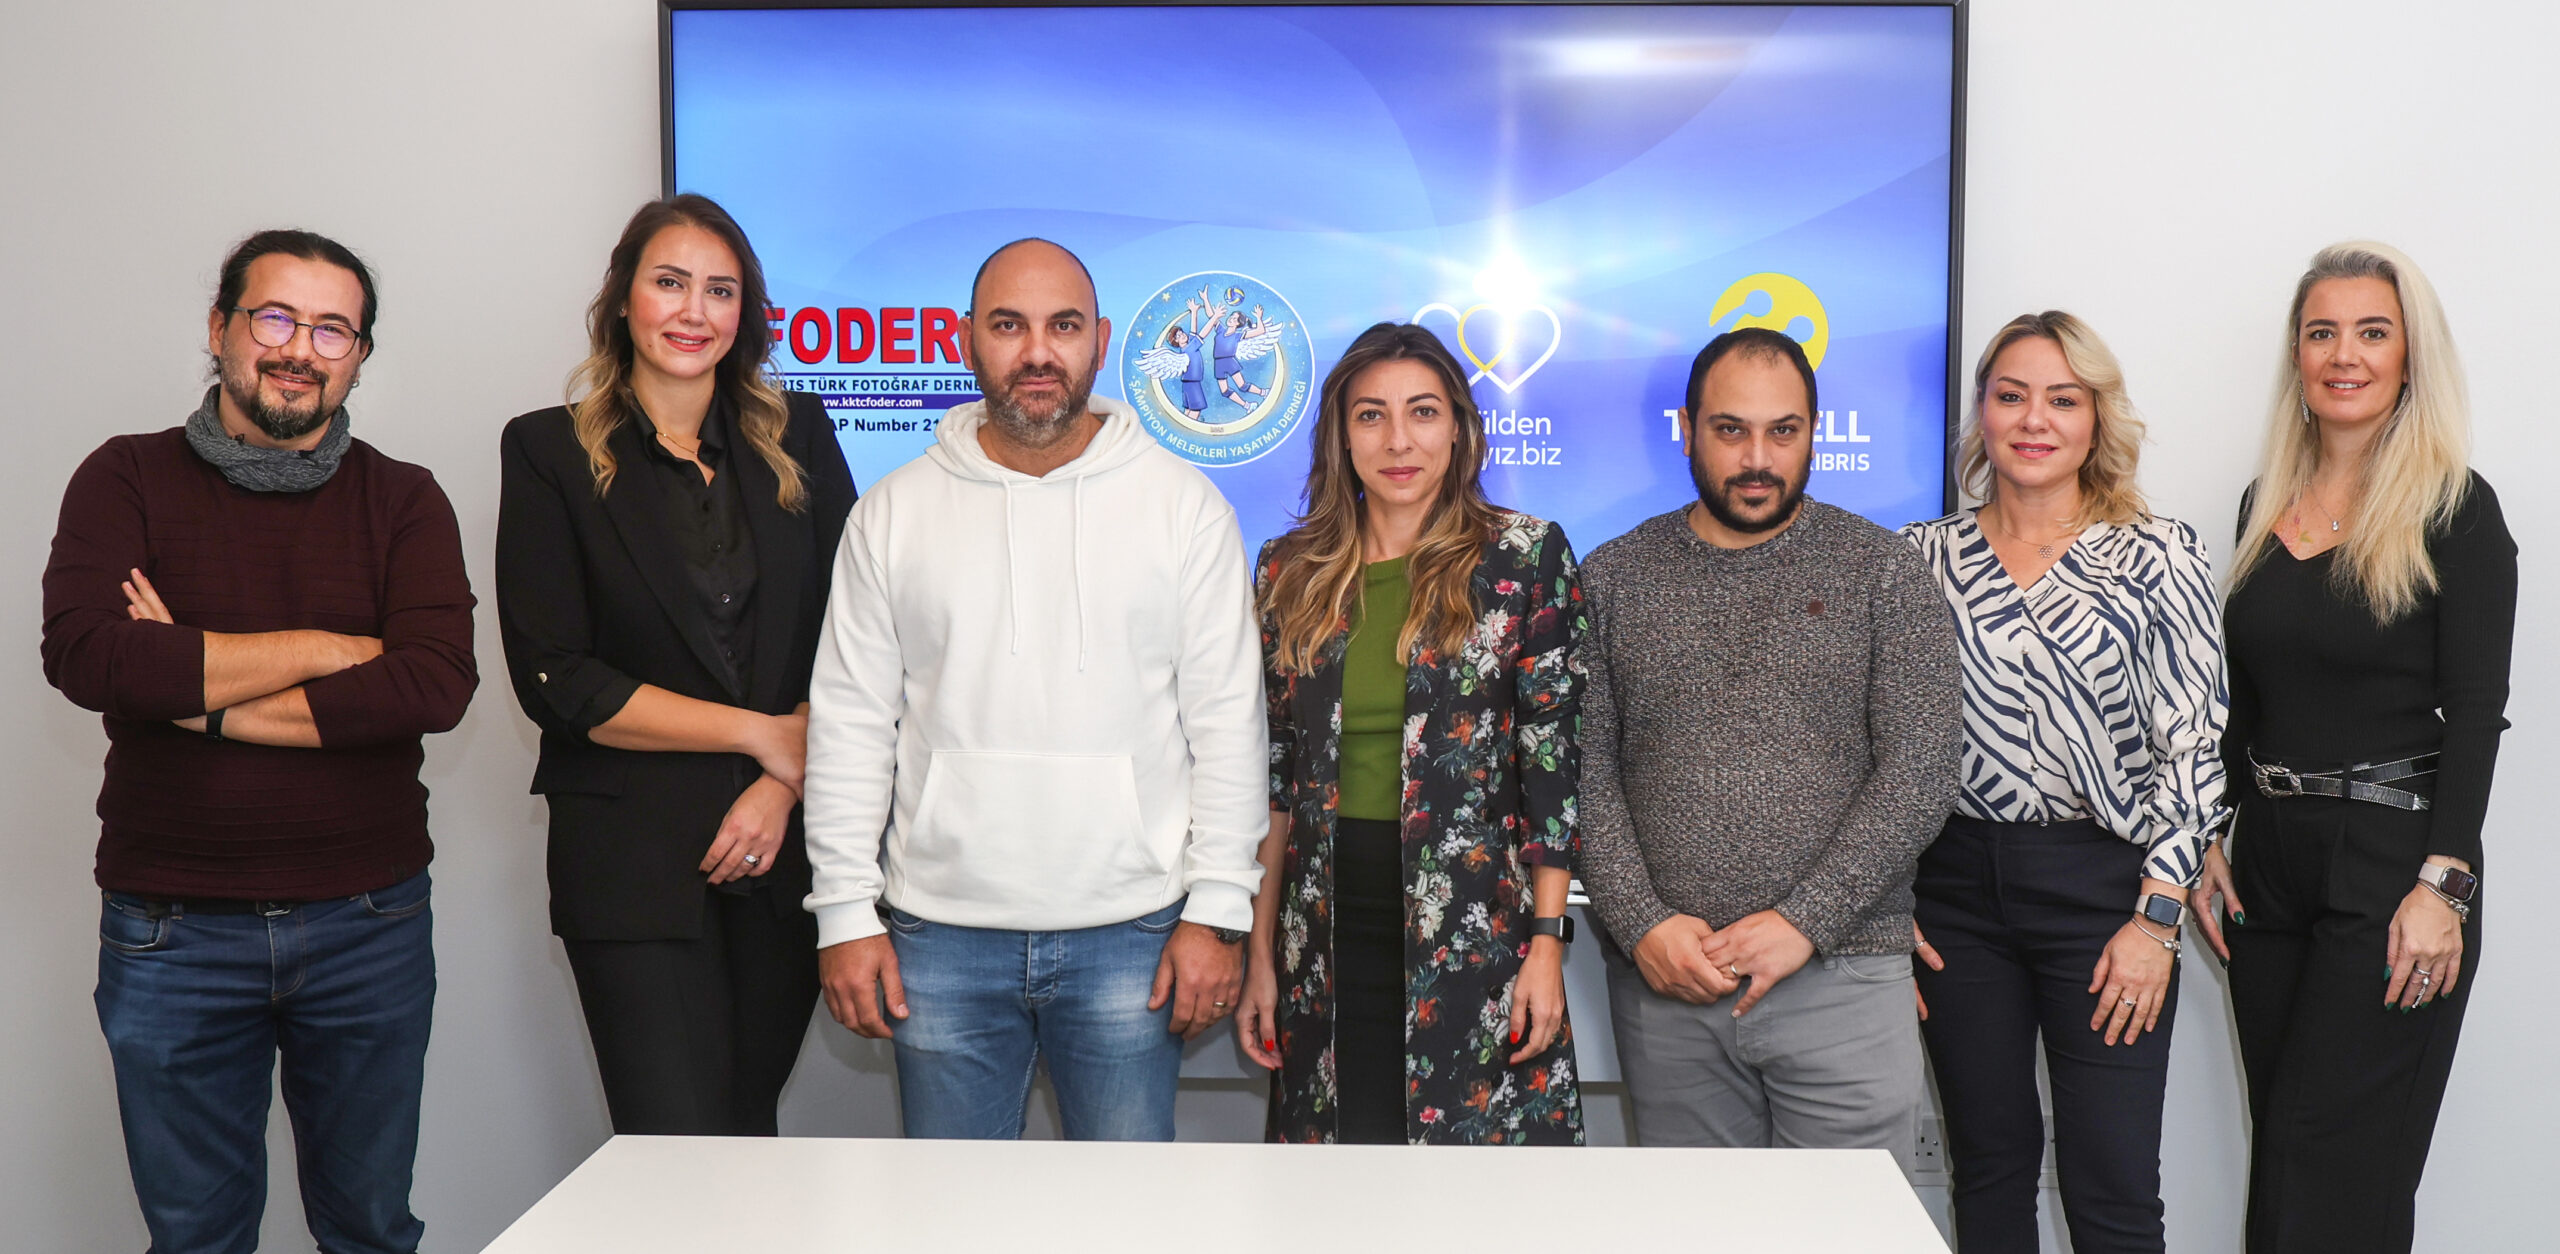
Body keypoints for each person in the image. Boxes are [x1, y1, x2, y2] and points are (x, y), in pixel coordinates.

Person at [40, 229, 476, 1252]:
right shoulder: (125, 477)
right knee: (197, 1239)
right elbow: (91, 658)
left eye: (332, 330)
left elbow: (431, 684)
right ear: (220, 328)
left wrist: (195, 689)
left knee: (370, 1231)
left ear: (358, 354)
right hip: (172, 930)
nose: (299, 349)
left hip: (368, 922)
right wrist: (325, 647)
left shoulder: (404, 499)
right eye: (274, 318)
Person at [800, 238, 1267, 1141]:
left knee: (1125, 1210)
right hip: (937, 936)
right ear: (966, 338)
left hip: (1134, 933)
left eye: (1063, 326)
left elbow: (1227, 726)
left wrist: (1218, 910)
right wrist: (845, 913)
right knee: (953, 1210)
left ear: (1101, 340)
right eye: (1009, 326)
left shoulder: (1184, 507)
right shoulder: (891, 513)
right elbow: (852, 725)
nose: (1038, 352)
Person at [495, 194, 856, 1136]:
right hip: (632, 868)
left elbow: (860, 638)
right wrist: (762, 737)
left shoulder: (801, 435)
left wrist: (782, 782)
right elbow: (557, 678)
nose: (694, 311)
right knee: (673, 1144)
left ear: (746, 313)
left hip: (786, 858)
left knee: (745, 1129)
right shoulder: (547, 451)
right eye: (670, 283)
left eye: (720, 291)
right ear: (624, 299)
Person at [2192, 242, 2512, 1254]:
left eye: (2373, 332)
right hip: (2268, 865)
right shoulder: (2262, 508)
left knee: (2331, 1168)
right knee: (2286, 1161)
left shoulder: (2455, 509)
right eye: (2321, 332)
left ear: (2410, 356)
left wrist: (2444, 886)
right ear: (2296, 355)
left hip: (2391, 863)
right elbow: (2245, 701)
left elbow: (2477, 712)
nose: (2345, 355)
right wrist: (2208, 832)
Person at [1577, 326, 1960, 1157]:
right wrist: (1641, 923)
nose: (1758, 459)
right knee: (1693, 1223)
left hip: (1844, 979)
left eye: (1783, 431)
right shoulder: (1611, 578)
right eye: (1731, 430)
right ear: (1687, 429)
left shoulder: (1883, 572)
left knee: (1851, 1224)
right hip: (1671, 988)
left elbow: (1923, 769)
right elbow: (1583, 774)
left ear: (1815, 432)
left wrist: (1803, 921)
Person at [1901, 313, 2228, 1252]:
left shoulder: (2158, 554)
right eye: (2011, 396)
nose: (2034, 419)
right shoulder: (1918, 558)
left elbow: (2195, 748)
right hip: (1954, 897)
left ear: (2096, 418)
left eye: (2062, 399)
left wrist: (2156, 923)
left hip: (2107, 897)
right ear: (1981, 414)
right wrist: (1884, 901)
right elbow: (1873, 748)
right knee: (1989, 1172)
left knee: (2113, 1185)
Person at [1237, 322, 1585, 1145]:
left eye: (1423, 412)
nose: (1398, 440)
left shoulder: (1524, 558)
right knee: (1337, 1173)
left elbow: (1552, 768)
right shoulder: (1288, 571)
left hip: (1476, 932)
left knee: (1477, 1182)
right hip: (1323, 933)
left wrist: (1546, 945)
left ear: (1458, 428)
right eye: (1371, 415)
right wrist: (1259, 954)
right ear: (1340, 434)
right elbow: (1274, 781)